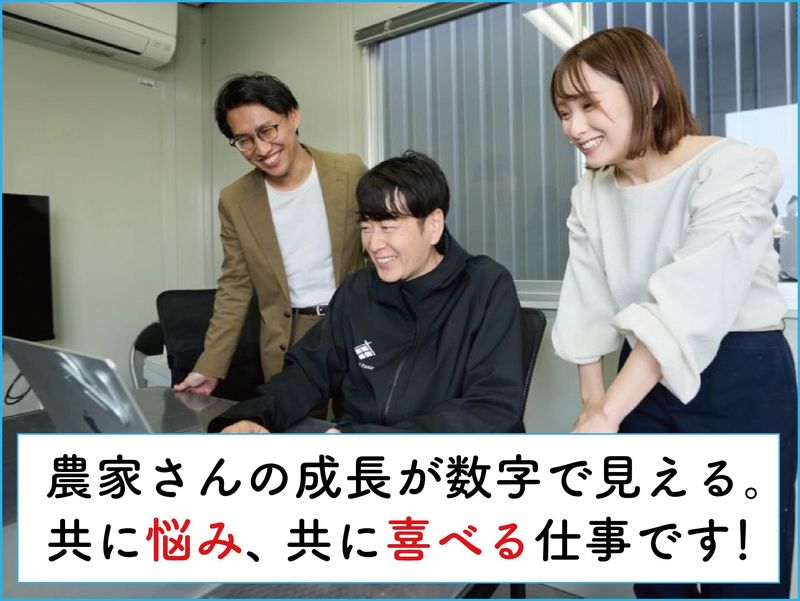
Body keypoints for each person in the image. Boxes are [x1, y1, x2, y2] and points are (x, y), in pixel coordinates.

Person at [549, 27, 796, 598]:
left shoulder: (735, 168)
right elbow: (586, 303)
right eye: (564, 112)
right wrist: (594, 408)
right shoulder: (591, 193)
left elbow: (685, 307)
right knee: (660, 576)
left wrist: (608, 414)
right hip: (642, 386)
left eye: (588, 105)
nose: (574, 127)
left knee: (742, 580)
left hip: (739, 381)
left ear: (649, 90)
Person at [208, 151, 524, 434]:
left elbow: (491, 409)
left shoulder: (485, 287)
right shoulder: (358, 290)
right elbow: (308, 371)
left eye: (388, 227)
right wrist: (254, 416)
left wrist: (367, 441)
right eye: (366, 227)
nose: (373, 244)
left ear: (433, 226)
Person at [175, 73, 366, 402]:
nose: (261, 149)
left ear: (293, 116)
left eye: (267, 130)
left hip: (355, 326)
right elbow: (235, 287)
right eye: (244, 140)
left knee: (360, 423)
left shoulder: (349, 171)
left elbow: (380, 251)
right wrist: (210, 365)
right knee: (294, 428)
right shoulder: (235, 200)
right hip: (288, 340)